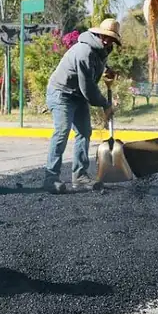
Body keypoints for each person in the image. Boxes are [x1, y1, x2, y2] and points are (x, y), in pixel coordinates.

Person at [43, 19, 120, 194]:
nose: (108, 41)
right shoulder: (84, 51)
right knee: (62, 132)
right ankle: (51, 178)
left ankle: (80, 176)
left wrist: (107, 69)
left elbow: (96, 63)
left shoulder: (102, 50)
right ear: (98, 34)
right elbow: (88, 88)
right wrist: (105, 105)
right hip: (61, 93)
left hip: (77, 95)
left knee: (84, 132)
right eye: (105, 37)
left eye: (112, 39)